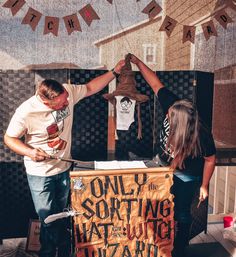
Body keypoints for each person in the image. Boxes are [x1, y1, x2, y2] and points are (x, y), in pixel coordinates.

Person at [4, 60, 125, 257]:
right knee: (48, 218)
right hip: (40, 174)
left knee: (58, 216)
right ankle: (62, 249)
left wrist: (114, 72)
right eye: (62, 103)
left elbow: (90, 87)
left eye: (67, 98)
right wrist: (30, 152)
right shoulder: (25, 112)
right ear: (46, 102)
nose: (67, 102)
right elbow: (9, 138)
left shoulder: (66, 92)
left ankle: (54, 251)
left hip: (63, 170)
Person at [130, 54, 216, 257]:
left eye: (169, 116)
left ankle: (179, 248)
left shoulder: (201, 135)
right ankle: (154, 241)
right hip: (162, 165)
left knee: (181, 212)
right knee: (154, 205)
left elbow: (210, 159)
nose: (166, 113)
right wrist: (139, 62)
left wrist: (204, 185)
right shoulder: (175, 106)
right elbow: (155, 83)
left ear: (181, 124)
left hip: (186, 174)